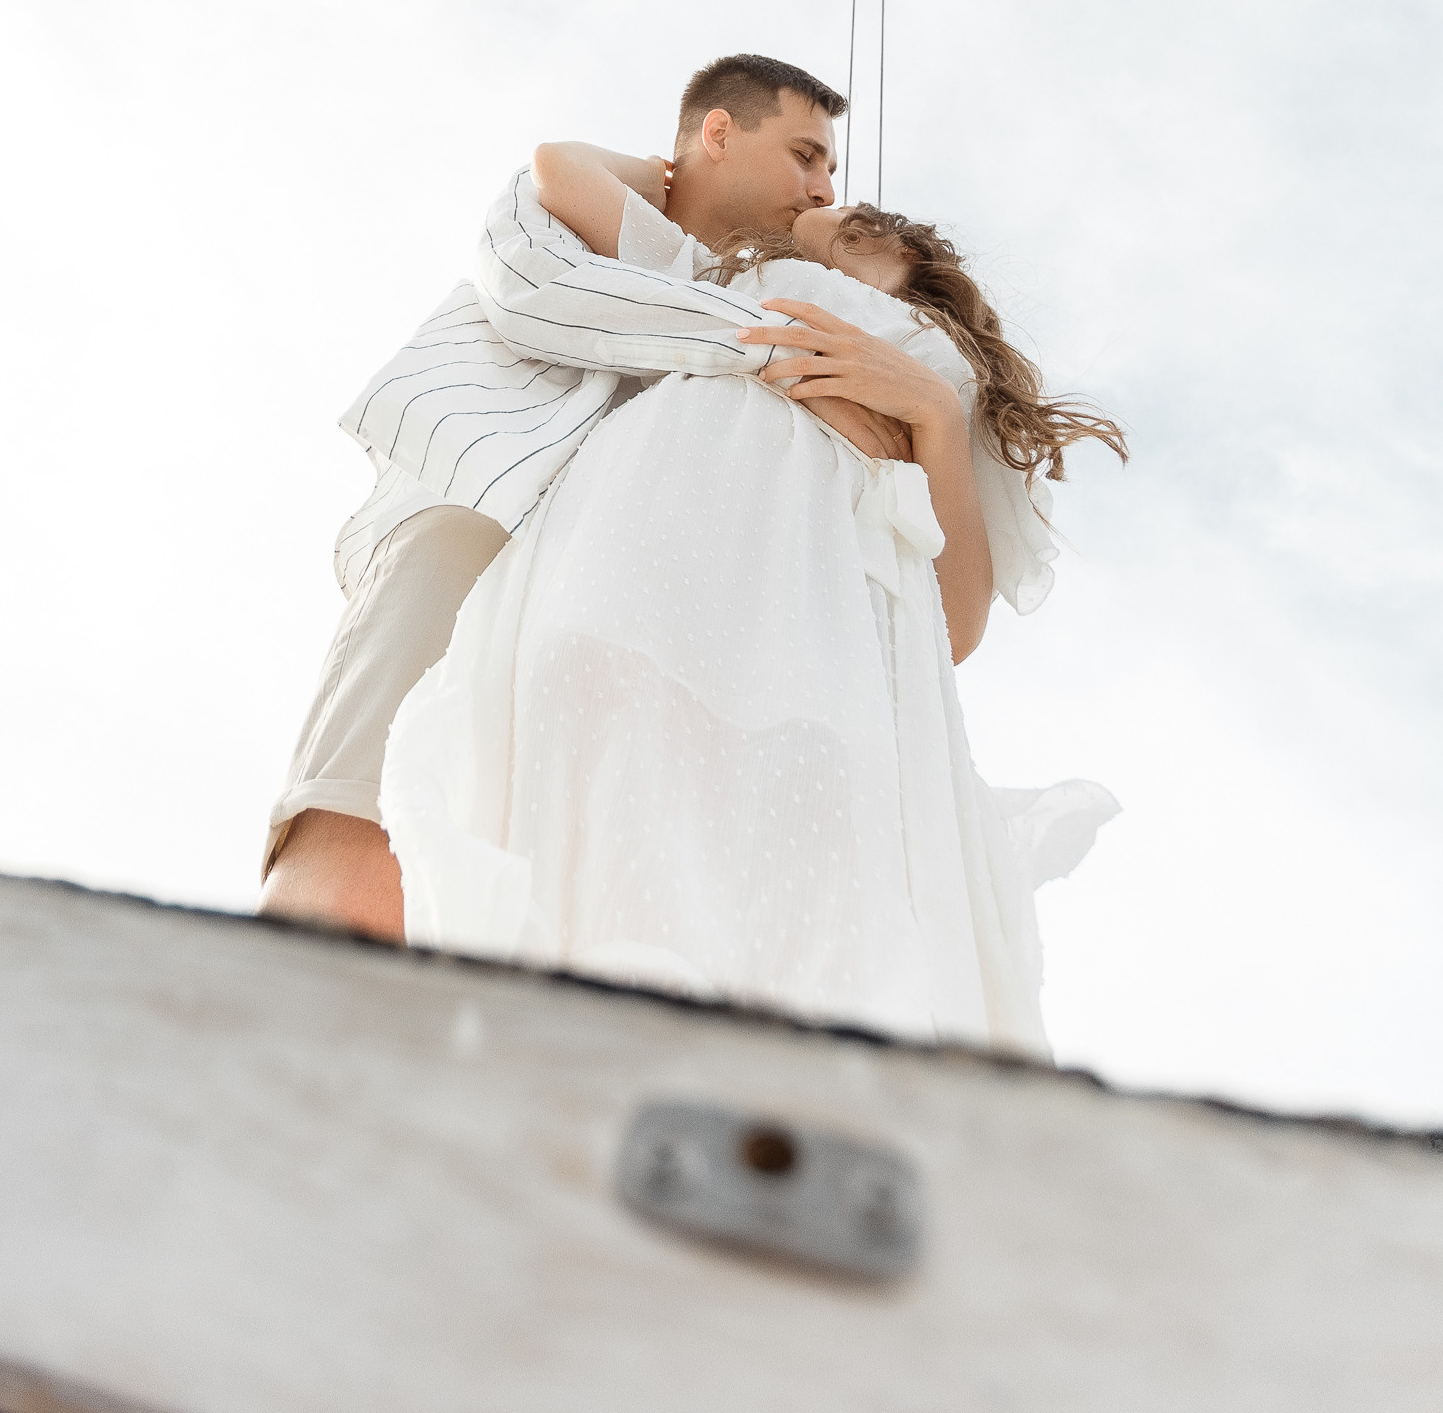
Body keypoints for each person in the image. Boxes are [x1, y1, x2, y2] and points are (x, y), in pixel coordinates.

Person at [377, 149, 1127, 1053]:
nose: (820, 191)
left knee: (791, 876)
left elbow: (956, 623)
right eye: (810, 166)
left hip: (813, 630)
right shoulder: (712, 279)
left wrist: (927, 410)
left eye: (836, 191)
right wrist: (680, 161)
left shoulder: (947, 375)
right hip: (636, 555)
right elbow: (560, 172)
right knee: (602, 799)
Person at [262, 55, 847, 938]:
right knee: (359, 848)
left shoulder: (763, 295)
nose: (822, 185)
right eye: (807, 154)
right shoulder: (570, 220)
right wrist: (778, 351)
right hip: (474, 527)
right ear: (719, 134)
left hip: (616, 595)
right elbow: (541, 284)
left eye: (830, 168)